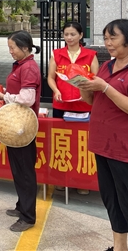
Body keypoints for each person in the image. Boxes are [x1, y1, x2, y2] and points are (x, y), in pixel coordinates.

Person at [77, 19, 128, 251]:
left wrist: (105, 87)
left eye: (113, 37)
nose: (108, 43)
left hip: (127, 148)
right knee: (112, 201)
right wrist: (83, 86)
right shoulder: (107, 66)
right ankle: (119, 247)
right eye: (105, 38)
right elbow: (92, 101)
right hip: (103, 144)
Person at [0, 30, 41, 232]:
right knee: (19, 169)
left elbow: (27, 98)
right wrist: (3, 93)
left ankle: (28, 217)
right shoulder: (21, 65)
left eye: (13, 48)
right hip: (15, 124)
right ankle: (22, 206)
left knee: (25, 171)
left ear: (25, 48)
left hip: (22, 127)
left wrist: (4, 97)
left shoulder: (28, 68)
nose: (10, 51)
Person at [47, 21, 98, 195]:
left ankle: (82, 181)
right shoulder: (57, 54)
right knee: (62, 143)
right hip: (62, 104)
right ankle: (63, 179)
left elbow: (96, 78)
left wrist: (87, 91)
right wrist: (56, 90)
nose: (69, 38)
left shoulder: (90, 55)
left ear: (81, 35)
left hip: (84, 105)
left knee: (82, 144)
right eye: (66, 34)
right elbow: (51, 77)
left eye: (73, 34)